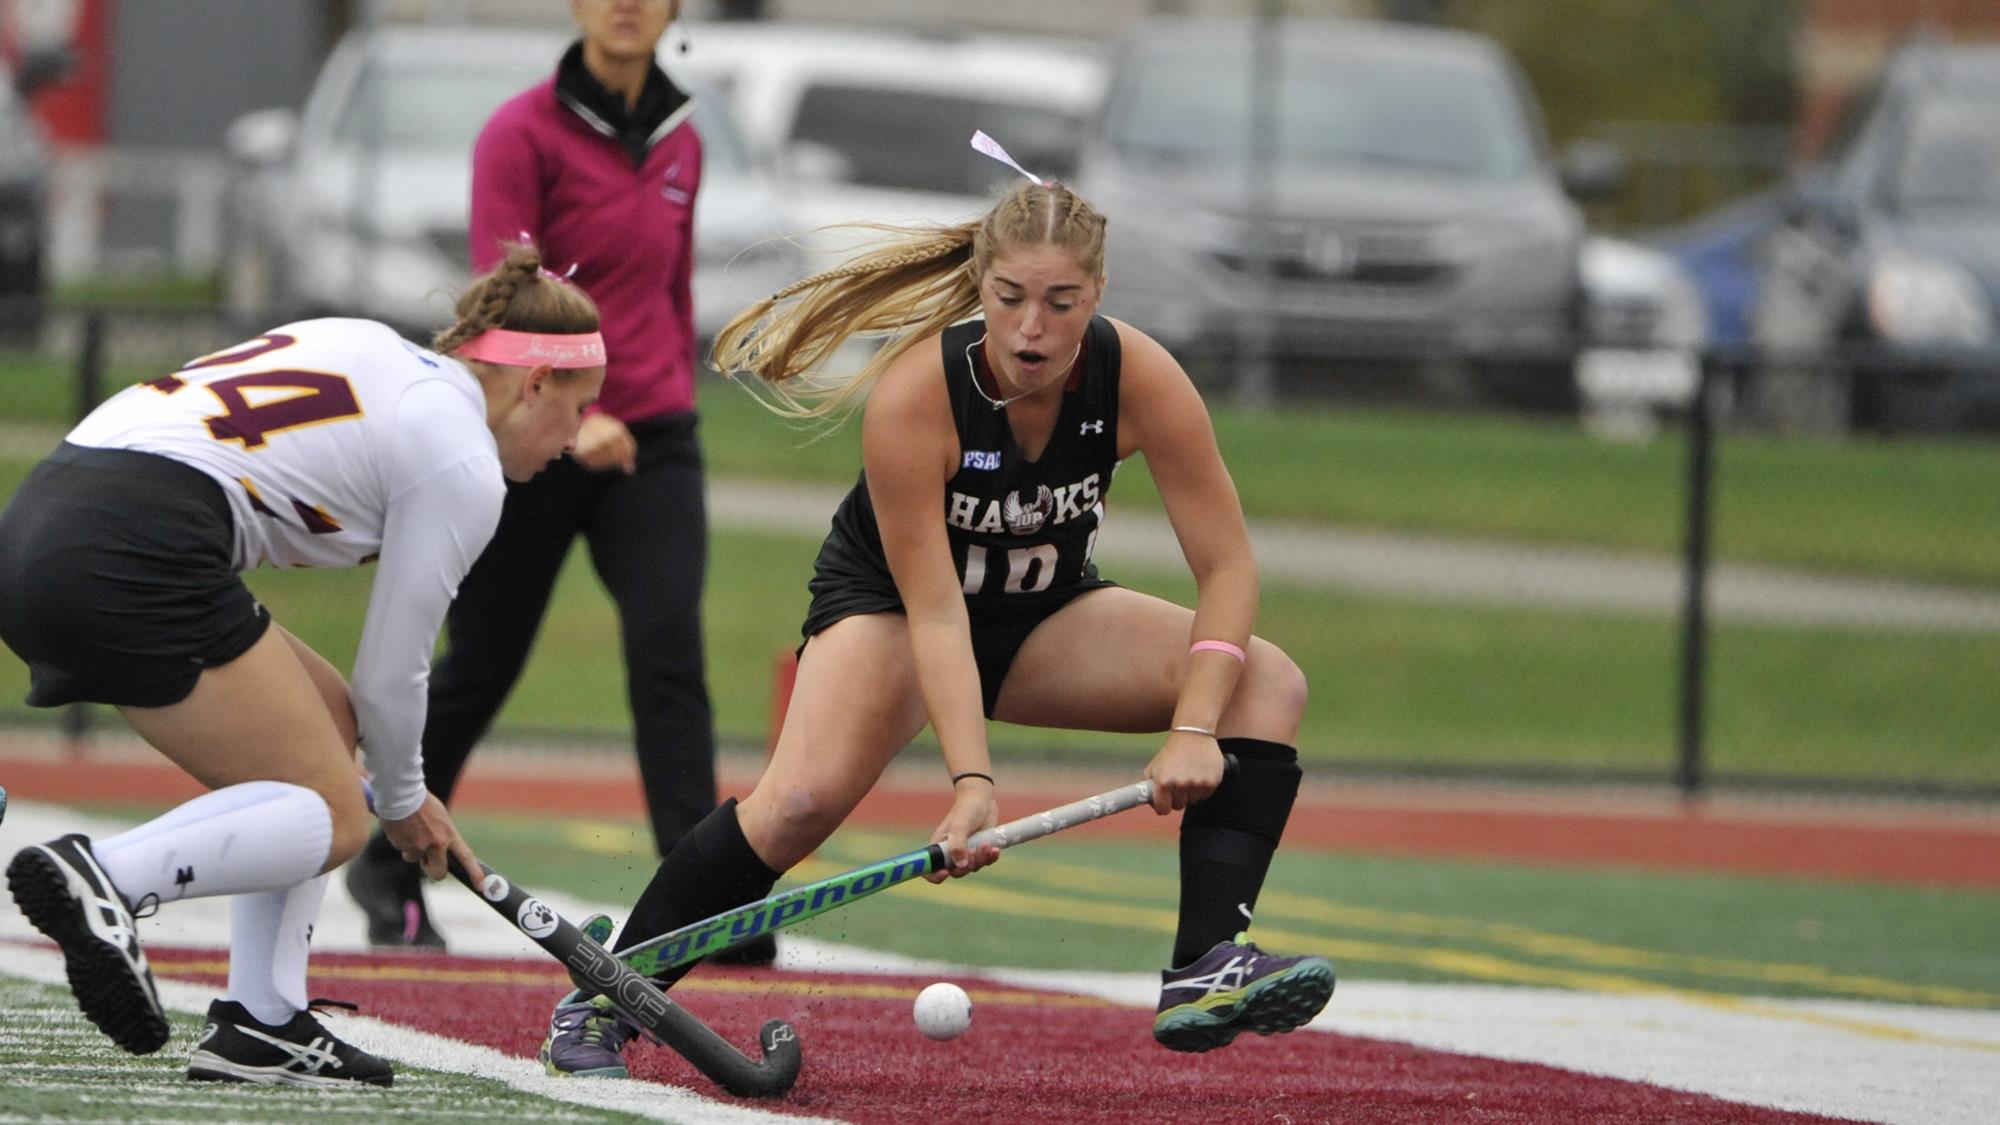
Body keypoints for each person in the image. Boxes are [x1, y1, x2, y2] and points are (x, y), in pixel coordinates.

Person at [533, 165, 1334, 1078]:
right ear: (981, 289)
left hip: (1042, 611)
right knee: (795, 805)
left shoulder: (1140, 375)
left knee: (1265, 682)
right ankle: (607, 996)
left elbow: (1227, 566)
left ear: (1098, 294)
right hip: (893, 609)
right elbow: (937, 611)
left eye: (1063, 302)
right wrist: (971, 781)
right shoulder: (919, 395)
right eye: (1011, 298)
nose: (1034, 329)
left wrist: (1195, 727)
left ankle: (1204, 967)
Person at [1, 245, 605, 1087]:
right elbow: (395, 670)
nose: (577, 440)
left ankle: (263, 1018)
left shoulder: (376, 349)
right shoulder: (462, 458)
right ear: (534, 382)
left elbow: (364, 698)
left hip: (42, 513)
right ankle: (102, 875)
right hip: (131, 541)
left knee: (330, 727)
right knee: (338, 813)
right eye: (579, 410)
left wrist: (396, 781)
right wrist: (402, 803)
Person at [339, 0, 773, 965]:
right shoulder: (518, 132)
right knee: (484, 657)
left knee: (670, 653)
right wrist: (582, 407)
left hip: (655, 434)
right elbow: (508, 300)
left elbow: (669, 296)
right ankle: (388, 857)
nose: (627, 5)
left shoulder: (683, 141)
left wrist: (654, 401)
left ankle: (695, 899)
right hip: (540, 427)